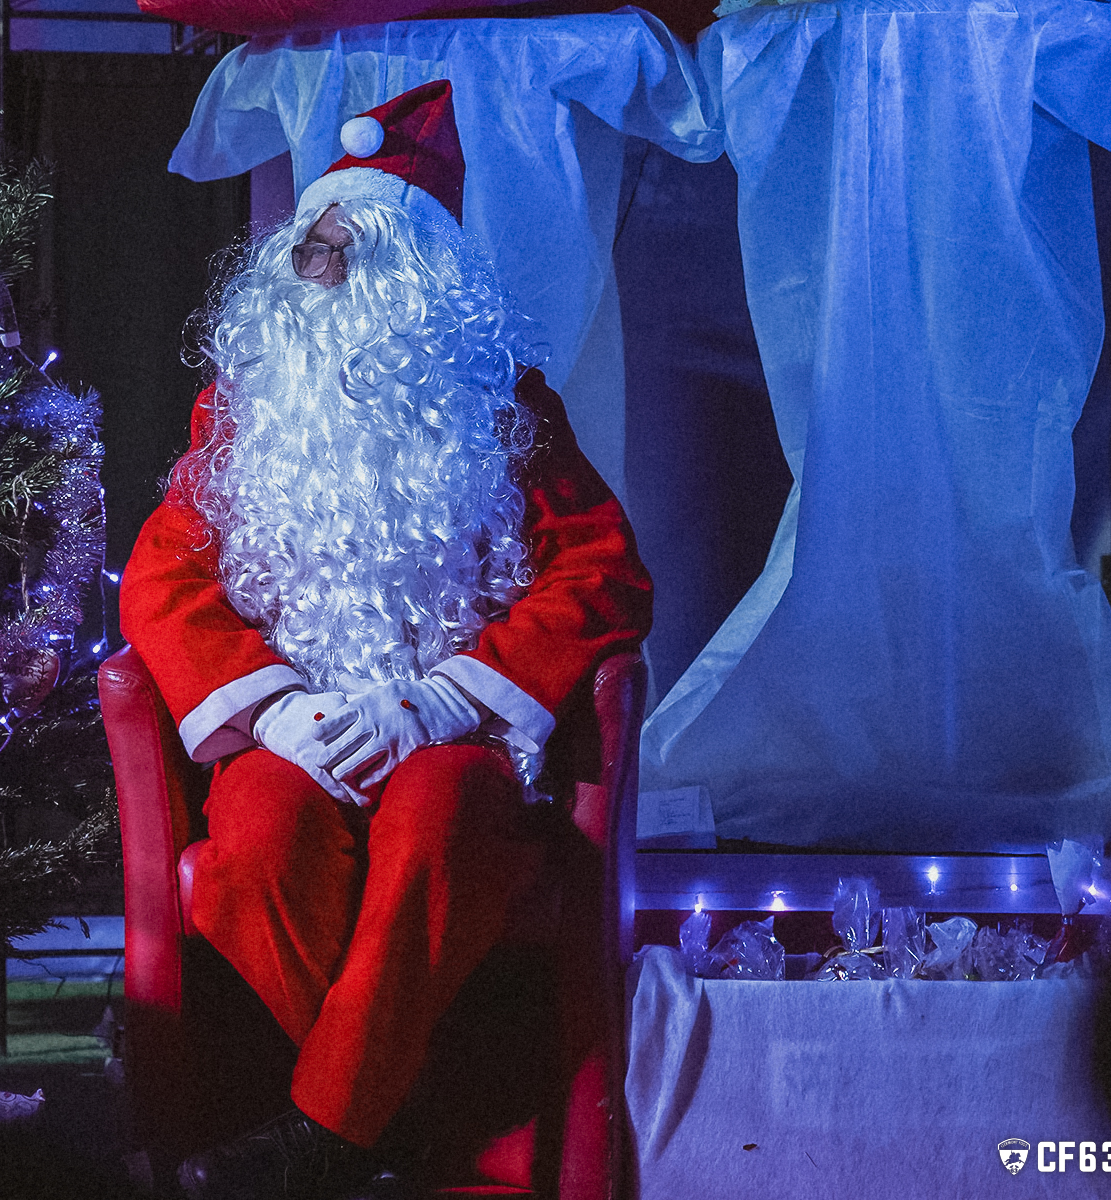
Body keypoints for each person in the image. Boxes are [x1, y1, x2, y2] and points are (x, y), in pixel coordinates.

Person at [119, 79, 651, 1200]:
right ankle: (383, 1113)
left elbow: (600, 571)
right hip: (300, 726)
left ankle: (324, 1143)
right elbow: (166, 573)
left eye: (348, 249)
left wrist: (444, 699)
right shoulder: (240, 408)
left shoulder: (507, 411)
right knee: (257, 838)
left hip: (445, 735)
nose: (320, 265)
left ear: (423, 283)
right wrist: (276, 709)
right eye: (310, 245)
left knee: (440, 816)